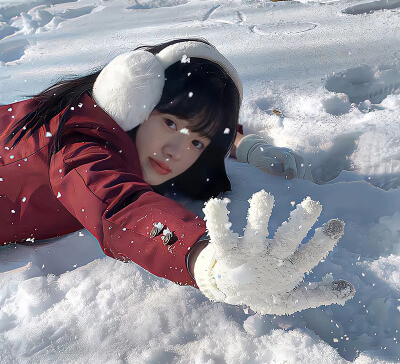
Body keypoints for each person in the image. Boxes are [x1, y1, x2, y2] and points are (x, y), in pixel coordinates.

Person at [0, 38, 354, 314]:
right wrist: (207, 260)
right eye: (170, 123)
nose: (176, 151)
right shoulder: (80, 143)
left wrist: (246, 146)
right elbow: (120, 209)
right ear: (135, 100)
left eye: (198, 141)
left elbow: (196, 121)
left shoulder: (105, 118)